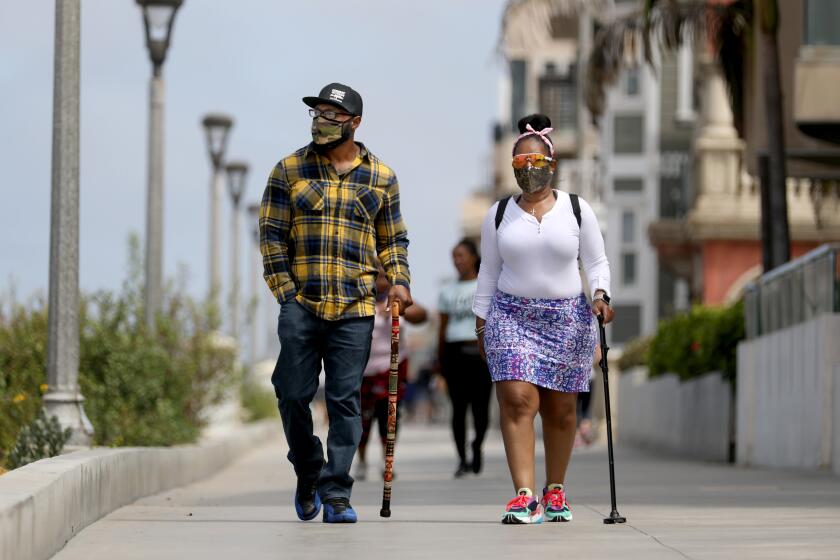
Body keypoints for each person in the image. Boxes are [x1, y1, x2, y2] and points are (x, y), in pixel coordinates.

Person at [259, 83, 412, 524]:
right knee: (291, 393)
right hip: (302, 303)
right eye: (318, 113)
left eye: (332, 114)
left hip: (356, 309)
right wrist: (286, 293)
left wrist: (399, 281)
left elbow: (393, 239)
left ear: (354, 123)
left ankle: (337, 492)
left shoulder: (382, 177)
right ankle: (308, 470)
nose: (321, 121)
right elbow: (271, 236)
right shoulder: (289, 170)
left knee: (345, 400)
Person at [472, 114, 614, 525]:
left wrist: (601, 295)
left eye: (536, 163)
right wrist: (481, 323)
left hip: (567, 318)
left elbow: (597, 262)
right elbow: (488, 272)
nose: (528, 171)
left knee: (561, 409)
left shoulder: (576, 209)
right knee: (517, 399)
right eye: (520, 165)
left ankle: (555, 490)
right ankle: (523, 495)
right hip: (510, 315)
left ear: (551, 165)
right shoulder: (498, 214)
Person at [355, 265, 427, 481]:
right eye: (375, 276)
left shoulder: (398, 298)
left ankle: (387, 461)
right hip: (364, 370)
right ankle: (361, 460)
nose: (380, 282)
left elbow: (421, 315)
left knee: (390, 418)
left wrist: (400, 308)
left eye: (384, 277)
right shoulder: (361, 300)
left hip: (392, 368)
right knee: (363, 419)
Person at [437, 239, 492, 477]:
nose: (457, 261)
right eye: (454, 257)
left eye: (461, 256)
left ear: (473, 257)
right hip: (454, 353)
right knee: (458, 409)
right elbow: (442, 328)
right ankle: (461, 459)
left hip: (480, 354)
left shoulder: (486, 285)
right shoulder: (448, 291)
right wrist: (440, 364)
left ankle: (477, 444)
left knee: (481, 409)